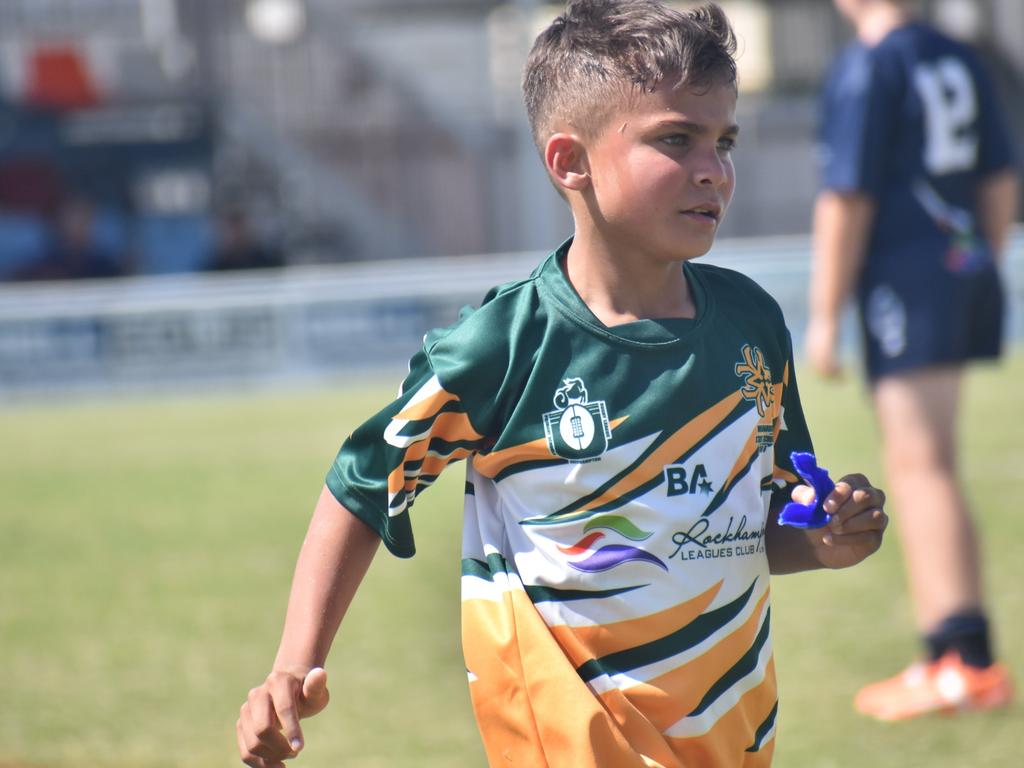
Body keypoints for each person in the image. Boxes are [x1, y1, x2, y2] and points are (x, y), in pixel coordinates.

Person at [237, 2, 889, 765]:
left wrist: (826, 537)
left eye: (724, 140)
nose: (713, 167)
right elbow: (362, 483)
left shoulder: (750, 324)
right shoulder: (502, 347)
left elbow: (754, 521)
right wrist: (294, 664)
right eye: (675, 139)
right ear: (568, 161)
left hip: (729, 738)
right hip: (566, 740)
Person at [808, 0, 1019, 722]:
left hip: (905, 277)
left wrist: (823, 316)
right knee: (936, 460)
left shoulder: (870, 64)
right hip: (964, 266)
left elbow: (847, 195)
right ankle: (965, 656)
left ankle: (959, 662)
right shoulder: (961, 56)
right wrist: (976, 265)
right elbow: (999, 177)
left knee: (919, 463)